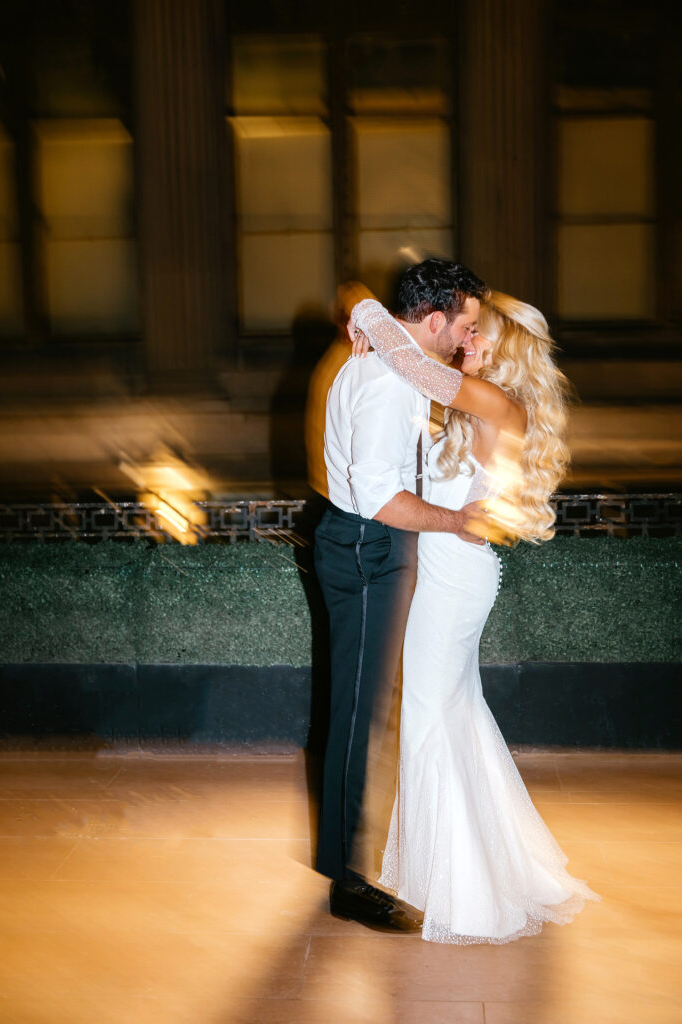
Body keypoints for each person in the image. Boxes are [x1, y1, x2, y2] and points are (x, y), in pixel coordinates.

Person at [349, 288, 600, 943]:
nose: (466, 338)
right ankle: (464, 871)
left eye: (479, 332)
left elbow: (415, 370)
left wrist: (367, 311)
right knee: (450, 714)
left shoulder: (493, 400)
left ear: (506, 346)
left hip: (455, 578)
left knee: (430, 719)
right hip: (448, 572)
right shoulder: (482, 401)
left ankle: (459, 893)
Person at [314, 259, 489, 931]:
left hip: (364, 543)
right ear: (434, 320)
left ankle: (347, 862)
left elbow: (360, 303)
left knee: (366, 708)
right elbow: (382, 498)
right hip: (367, 547)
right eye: (464, 327)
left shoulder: (397, 359)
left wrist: (362, 315)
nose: (466, 341)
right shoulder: (391, 382)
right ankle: (348, 882)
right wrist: (454, 522)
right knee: (359, 714)